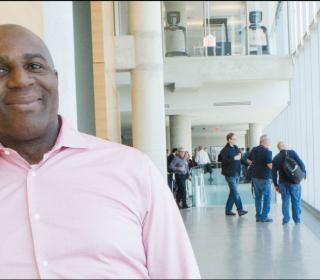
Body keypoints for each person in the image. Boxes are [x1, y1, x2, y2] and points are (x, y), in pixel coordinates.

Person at [0, 24, 200, 279]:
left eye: (34, 66)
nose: (20, 80)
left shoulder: (132, 169)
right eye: (1, 69)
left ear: (56, 79)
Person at [272, 141, 306, 225]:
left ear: (278, 148)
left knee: (285, 201)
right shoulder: (292, 153)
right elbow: (301, 164)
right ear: (285, 146)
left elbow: (273, 173)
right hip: (294, 182)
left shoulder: (276, 158)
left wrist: (276, 185)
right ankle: (297, 220)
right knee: (296, 200)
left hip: (282, 183)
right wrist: (304, 173)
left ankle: (286, 220)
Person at [218, 133, 248, 217]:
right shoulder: (225, 150)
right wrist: (234, 158)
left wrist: (248, 164)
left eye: (235, 139)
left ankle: (228, 210)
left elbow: (240, 159)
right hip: (229, 174)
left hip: (237, 173)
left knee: (232, 192)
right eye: (234, 139)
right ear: (229, 140)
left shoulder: (236, 147)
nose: (235, 140)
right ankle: (240, 209)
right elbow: (223, 161)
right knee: (235, 192)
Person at [248, 135, 273, 223]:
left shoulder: (254, 149)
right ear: (264, 141)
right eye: (269, 140)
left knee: (258, 197)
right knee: (267, 197)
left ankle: (258, 216)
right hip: (265, 178)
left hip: (255, 177)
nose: (270, 142)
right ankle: (264, 217)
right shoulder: (267, 152)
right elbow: (270, 165)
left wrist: (256, 165)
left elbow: (249, 161)